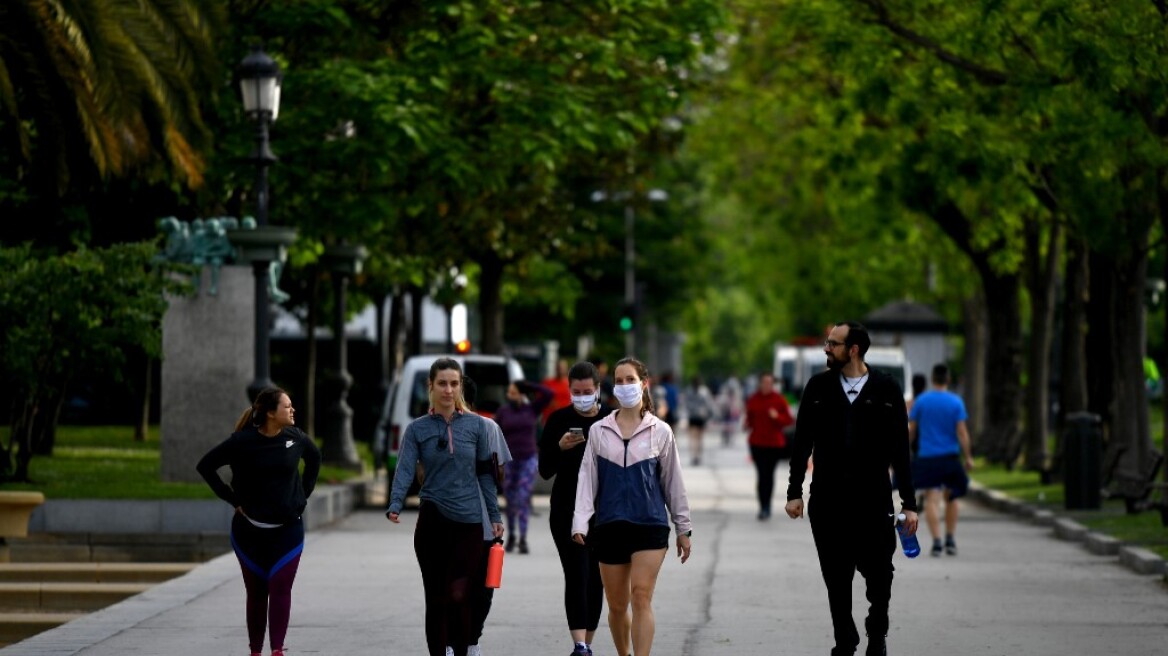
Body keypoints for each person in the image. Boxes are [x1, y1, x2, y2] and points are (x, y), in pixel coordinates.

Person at [784, 322, 918, 656]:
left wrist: (909, 503)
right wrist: (794, 491)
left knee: (880, 574)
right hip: (828, 500)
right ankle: (844, 640)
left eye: (833, 343)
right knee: (836, 576)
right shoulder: (818, 387)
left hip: (873, 499)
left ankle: (877, 632)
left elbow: (901, 450)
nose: (826, 348)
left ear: (853, 349)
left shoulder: (887, 390)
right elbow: (802, 442)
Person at [573, 357, 692, 656]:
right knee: (616, 605)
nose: (624, 385)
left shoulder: (660, 431)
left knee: (641, 596)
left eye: (630, 379)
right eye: (619, 380)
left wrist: (683, 527)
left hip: (649, 524)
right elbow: (587, 480)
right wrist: (580, 521)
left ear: (644, 384)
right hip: (610, 525)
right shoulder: (600, 431)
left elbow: (673, 482)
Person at [386, 358, 504, 656]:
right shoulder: (417, 429)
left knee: (460, 593)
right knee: (436, 598)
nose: (448, 390)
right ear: (431, 387)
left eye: (454, 383)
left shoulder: (478, 426)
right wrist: (395, 502)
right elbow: (404, 468)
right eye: (442, 383)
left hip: (468, 523)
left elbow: (485, 475)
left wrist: (494, 515)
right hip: (432, 520)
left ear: (460, 386)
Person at [196, 387, 321, 656]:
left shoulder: (295, 438)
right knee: (256, 593)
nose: (292, 410)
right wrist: (232, 500)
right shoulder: (242, 442)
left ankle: (277, 650)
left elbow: (314, 459)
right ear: (270, 413)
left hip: (288, 532)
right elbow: (205, 466)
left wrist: (302, 495)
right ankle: (255, 651)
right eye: (287, 406)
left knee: (280, 588)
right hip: (249, 533)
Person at [539, 361, 614, 656]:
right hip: (566, 512)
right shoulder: (558, 420)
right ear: (569, 390)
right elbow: (544, 470)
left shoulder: (611, 419)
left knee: (597, 579)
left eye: (587, 391)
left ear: (597, 390)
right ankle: (579, 644)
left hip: (604, 512)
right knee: (577, 574)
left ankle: (589, 642)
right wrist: (560, 447)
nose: (581, 396)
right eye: (576, 391)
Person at [463, 377, 513, 656]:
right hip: (467, 523)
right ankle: (468, 641)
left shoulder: (488, 427)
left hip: (482, 522)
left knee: (477, 585)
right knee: (479, 588)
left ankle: (464, 641)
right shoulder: (488, 427)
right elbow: (500, 474)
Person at [908, 364, 974, 558]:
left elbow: (911, 431)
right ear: (948, 380)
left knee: (932, 499)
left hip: (928, 458)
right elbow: (962, 432)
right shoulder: (956, 402)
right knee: (952, 497)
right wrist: (968, 456)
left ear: (932, 379)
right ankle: (950, 538)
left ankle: (936, 541)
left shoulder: (921, 401)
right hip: (950, 458)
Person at [494, 379, 554, 553]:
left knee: (522, 497)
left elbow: (549, 394)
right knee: (510, 500)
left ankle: (523, 538)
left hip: (528, 459)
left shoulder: (531, 409)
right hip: (509, 461)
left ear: (521, 394)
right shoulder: (503, 412)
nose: (511, 396)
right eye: (509, 393)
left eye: (514, 392)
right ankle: (512, 534)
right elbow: (495, 434)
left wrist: (529, 385)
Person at [743, 372, 794, 520]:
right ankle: (762, 506)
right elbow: (749, 418)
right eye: (764, 382)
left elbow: (789, 420)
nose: (766, 385)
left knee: (769, 475)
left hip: (774, 444)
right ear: (760, 383)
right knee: (761, 474)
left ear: (773, 384)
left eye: (769, 383)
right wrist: (746, 424)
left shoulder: (779, 400)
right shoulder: (754, 399)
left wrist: (777, 416)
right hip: (757, 443)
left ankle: (767, 506)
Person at [682, 375, 716, 465]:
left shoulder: (704, 391)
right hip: (693, 417)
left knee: (699, 438)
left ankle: (698, 455)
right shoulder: (690, 391)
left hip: (701, 417)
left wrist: (708, 414)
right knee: (693, 438)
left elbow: (708, 404)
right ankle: (694, 455)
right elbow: (686, 404)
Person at [542, 358, 573, 423]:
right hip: (550, 419)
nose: (560, 369)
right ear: (555, 368)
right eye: (559, 367)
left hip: (567, 420)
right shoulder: (547, 383)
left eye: (562, 367)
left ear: (567, 368)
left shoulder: (572, 384)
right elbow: (542, 400)